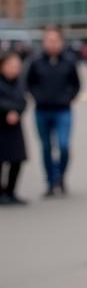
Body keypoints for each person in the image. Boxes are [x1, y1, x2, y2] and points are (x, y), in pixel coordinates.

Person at [26, 25, 81, 197]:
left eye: (55, 40)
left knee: (63, 146)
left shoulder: (69, 61)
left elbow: (76, 84)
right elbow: (29, 83)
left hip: (63, 110)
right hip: (42, 110)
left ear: (61, 42)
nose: (52, 44)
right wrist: (37, 96)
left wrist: (68, 97)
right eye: (48, 40)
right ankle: (50, 181)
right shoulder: (36, 61)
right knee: (46, 147)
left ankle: (60, 176)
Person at [0, 50, 28, 205]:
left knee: (17, 160)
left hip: (14, 127)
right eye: (11, 65)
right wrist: (7, 111)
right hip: (1, 125)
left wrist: (17, 111)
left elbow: (24, 101)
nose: (15, 68)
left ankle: (11, 191)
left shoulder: (19, 82)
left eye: (17, 66)